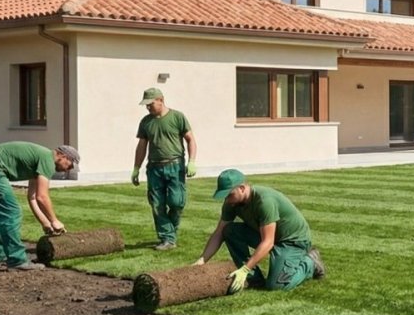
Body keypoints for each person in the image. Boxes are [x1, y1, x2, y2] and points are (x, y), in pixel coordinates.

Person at [195, 170, 324, 293]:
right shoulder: (232, 203)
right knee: (229, 231)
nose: (227, 200)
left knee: (277, 286)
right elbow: (219, 232)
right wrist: (202, 260)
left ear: (242, 188)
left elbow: (268, 242)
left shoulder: (264, 201)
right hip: (269, 236)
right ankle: (253, 278)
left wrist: (245, 268)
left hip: (292, 241)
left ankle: (310, 263)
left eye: (230, 195)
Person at [0, 142, 78, 271]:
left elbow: (32, 197)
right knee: (12, 213)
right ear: (62, 156)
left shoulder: (40, 159)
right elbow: (42, 197)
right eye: (70, 165)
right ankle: (17, 260)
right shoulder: (48, 160)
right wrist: (54, 220)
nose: (68, 169)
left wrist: (45, 223)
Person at [132, 87, 196, 251]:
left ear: (161, 100)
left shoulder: (177, 117)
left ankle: (170, 233)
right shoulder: (146, 122)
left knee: (176, 202)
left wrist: (192, 161)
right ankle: (167, 238)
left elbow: (190, 140)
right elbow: (141, 146)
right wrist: (136, 168)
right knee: (157, 204)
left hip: (175, 165)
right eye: (146, 105)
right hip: (154, 167)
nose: (148, 107)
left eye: (150, 104)